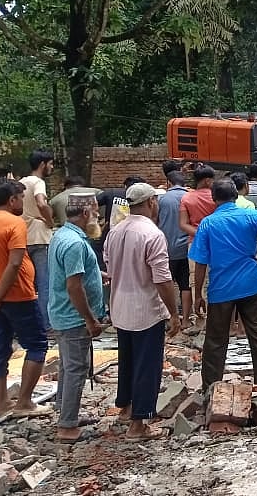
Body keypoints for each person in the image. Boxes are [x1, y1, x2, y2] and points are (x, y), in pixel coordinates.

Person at [190, 179, 257, 399]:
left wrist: (198, 295)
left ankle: (210, 388)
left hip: (221, 289)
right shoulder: (250, 216)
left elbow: (201, 263)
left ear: (214, 198)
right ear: (236, 195)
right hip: (251, 284)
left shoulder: (207, 223)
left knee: (216, 340)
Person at [105, 183, 181, 440]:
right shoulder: (152, 234)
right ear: (150, 202)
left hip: (120, 306)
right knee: (146, 365)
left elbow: (110, 270)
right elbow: (162, 279)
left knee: (127, 361)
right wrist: (173, 312)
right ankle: (138, 424)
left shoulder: (115, 231)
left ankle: (125, 408)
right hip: (145, 308)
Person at [47, 191, 106, 442]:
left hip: (62, 313)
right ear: (84, 213)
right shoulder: (75, 243)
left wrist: (97, 275)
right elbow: (73, 286)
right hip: (73, 317)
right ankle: (67, 427)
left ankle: (65, 413)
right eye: (95, 212)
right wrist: (91, 320)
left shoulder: (62, 235)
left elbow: (72, 275)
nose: (98, 217)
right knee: (76, 368)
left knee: (67, 366)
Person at [0, 179, 51, 419]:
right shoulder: (15, 223)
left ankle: (2, 403)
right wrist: (1, 295)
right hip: (18, 294)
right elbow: (15, 262)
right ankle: (24, 401)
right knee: (36, 344)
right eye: (20, 198)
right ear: (12, 199)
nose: (22, 203)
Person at [19, 150, 55, 332]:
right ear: (42, 164)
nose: (52, 167)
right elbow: (41, 203)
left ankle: (26, 323)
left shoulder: (20, 183)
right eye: (50, 163)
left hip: (22, 237)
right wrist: (50, 221)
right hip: (40, 237)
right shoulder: (38, 182)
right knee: (44, 283)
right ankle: (45, 324)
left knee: (26, 283)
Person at [157, 170, 193, 325]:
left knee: (167, 282)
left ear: (169, 183)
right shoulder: (191, 198)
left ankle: (169, 319)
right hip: (188, 248)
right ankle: (185, 320)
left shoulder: (161, 199)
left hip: (167, 248)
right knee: (186, 285)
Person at [179, 165, 217, 240]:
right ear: (207, 181)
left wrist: (201, 234)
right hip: (215, 239)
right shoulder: (217, 196)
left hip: (195, 241)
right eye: (213, 180)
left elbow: (183, 224)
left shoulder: (186, 197)